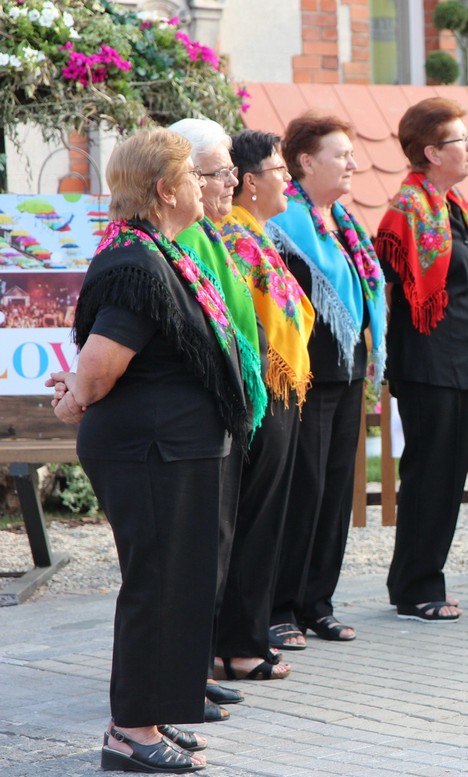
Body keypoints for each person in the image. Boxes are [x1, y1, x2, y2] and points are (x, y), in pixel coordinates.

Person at [47, 128, 255, 772]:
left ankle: (155, 711)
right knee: (157, 583)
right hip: (149, 450)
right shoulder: (135, 263)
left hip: (175, 446)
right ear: (166, 190)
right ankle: (129, 731)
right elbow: (104, 364)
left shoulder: (159, 251)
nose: (205, 184)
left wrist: (81, 386)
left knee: (182, 582)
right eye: (194, 175)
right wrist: (76, 395)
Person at [169, 119, 284, 700]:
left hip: (231, 409)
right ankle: (190, 669)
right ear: (182, 179)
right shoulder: (181, 242)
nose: (231, 184)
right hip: (199, 417)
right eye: (218, 174)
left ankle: (199, 666)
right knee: (200, 548)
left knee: (218, 541)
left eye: (231, 173)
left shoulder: (212, 235)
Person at [267, 113, 386, 641]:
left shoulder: (345, 224)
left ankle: (319, 601)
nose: (352, 163)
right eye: (341, 154)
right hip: (307, 375)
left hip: (348, 372)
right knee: (305, 490)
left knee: (337, 491)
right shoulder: (284, 221)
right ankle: (281, 608)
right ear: (306, 162)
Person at [375, 98, 468, 623]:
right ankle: (416, 589)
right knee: (428, 475)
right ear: (432, 152)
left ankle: (424, 580)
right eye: (461, 141)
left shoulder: (451, 206)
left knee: (448, 477)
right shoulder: (407, 210)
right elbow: (392, 289)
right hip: (426, 363)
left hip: (460, 360)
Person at [218, 129, 317, 658]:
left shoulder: (255, 233)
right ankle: (240, 643)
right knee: (252, 521)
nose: (288, 180)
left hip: (277, 391)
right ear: (250, 182)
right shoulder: (235, 236)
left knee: (263, 520)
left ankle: (244, 637)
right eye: (280, 170)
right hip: (261, 393)